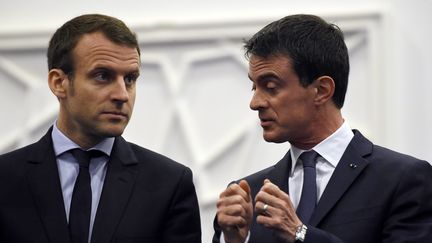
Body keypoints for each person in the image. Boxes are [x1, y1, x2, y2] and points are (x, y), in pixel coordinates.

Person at [213, 14, 432, 243]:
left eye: (270, 86)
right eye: (254, 87)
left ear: (321, 90)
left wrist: (300, 234)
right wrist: (234, 240)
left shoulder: (403, 180)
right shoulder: (248, 194)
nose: (255, 102)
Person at [0, 14, 201, 243]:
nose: (122, 95)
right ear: (59, 83)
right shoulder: (5, 179)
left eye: (130, 79)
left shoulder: (169, 184)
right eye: (103, 76)